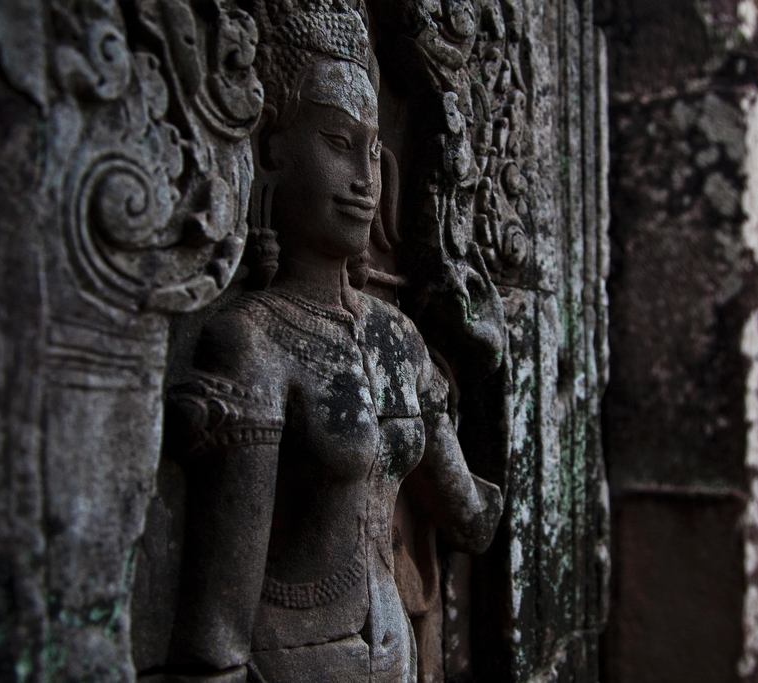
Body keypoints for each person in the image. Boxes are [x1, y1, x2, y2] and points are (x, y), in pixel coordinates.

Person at [162, 3, 503, 681]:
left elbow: (471, 520)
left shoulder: (397, 338)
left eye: (371, 151)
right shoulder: (252, 342)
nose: (363, 179)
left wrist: (492, 351)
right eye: (335, 142)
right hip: (293, 659)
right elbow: (214, 635)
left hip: (397, 653)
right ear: (274, 151)